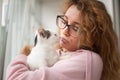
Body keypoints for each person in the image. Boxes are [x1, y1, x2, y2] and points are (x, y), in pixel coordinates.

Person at [6, 0, 120, 80]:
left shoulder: (87, 60)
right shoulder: (65, 53)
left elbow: (15, 77)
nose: (65, 30)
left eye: (75, 28)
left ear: (93, 37)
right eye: (65, 22)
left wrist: (24, 54)